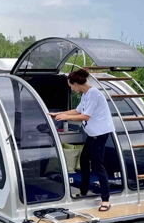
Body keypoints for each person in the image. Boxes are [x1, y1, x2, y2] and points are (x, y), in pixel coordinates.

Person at [48, 68, 115, 211]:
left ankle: (106, 200)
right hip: (92, 134)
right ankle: (84, 191)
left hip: (100, 133)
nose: (71, 88)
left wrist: (66, 118)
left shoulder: (94, 94)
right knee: (84, 160)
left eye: (71, 86)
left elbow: (85, 116)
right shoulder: (85, 94)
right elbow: (78, 111)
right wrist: (59, 113)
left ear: (76, 84)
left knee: (98, 165)